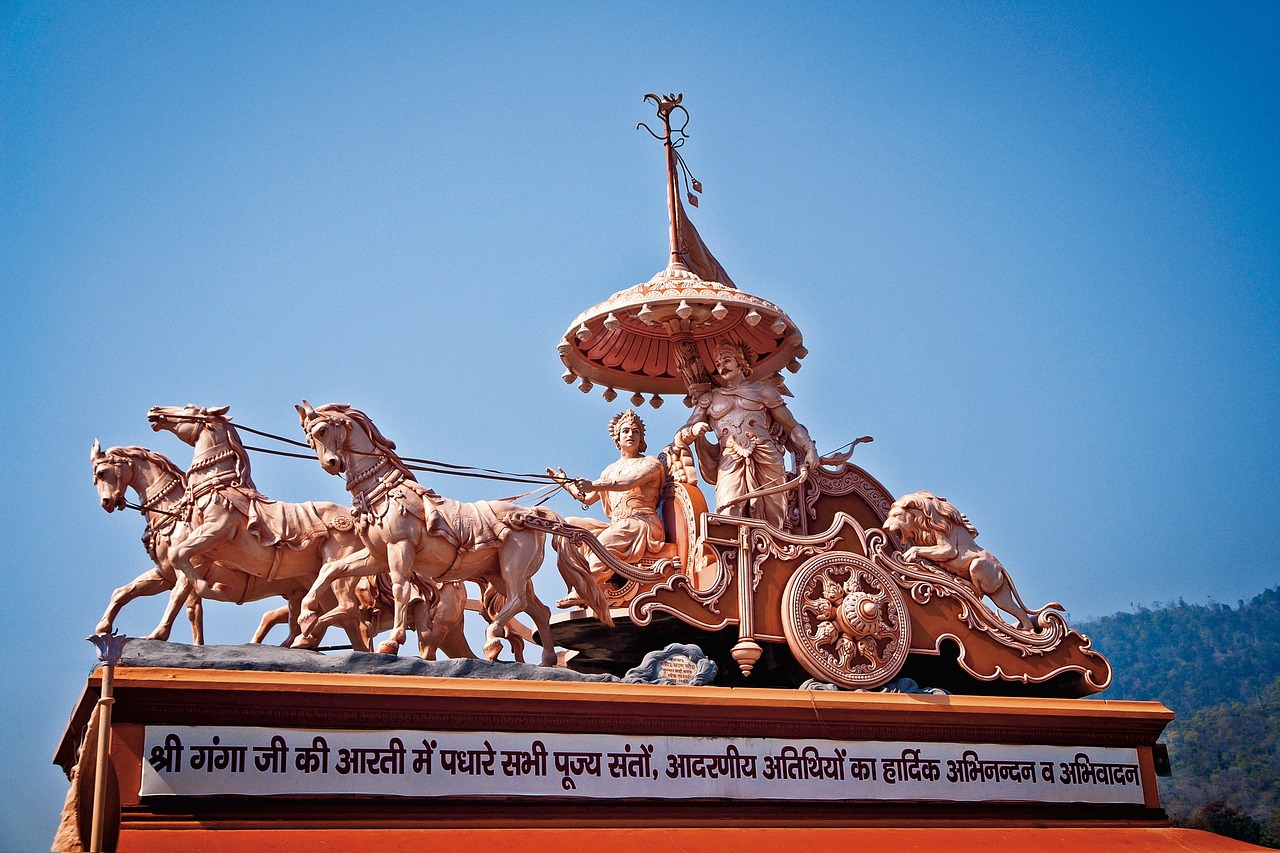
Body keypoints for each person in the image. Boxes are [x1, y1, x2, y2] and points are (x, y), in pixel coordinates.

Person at [674, 340, 819, 530]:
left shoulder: (764, 392)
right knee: (728, 506)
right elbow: (682, 432)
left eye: (727, 361)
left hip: (766, 456)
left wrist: (809, 448)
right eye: (718, 364)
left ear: (740, 362)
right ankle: (732, 552)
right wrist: (693, 431)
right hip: (730, 458)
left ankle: (775, 552)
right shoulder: (710, 399)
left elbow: (791, 426)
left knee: (774, 515)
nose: (722, 367)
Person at [547, 410, 667, 586]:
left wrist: (594, 485)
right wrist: (565, 483)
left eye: (635, 431)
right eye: (625, 431)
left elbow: (628, 482)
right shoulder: (609, 470)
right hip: (617, 525)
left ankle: (587, 586)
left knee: (603, 543)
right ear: (617, 438)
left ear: (641, 438)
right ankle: (576, 578)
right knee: (566, 527)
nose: (631, 435)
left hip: (642, 524)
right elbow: (587, 498)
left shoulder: (650, 463)